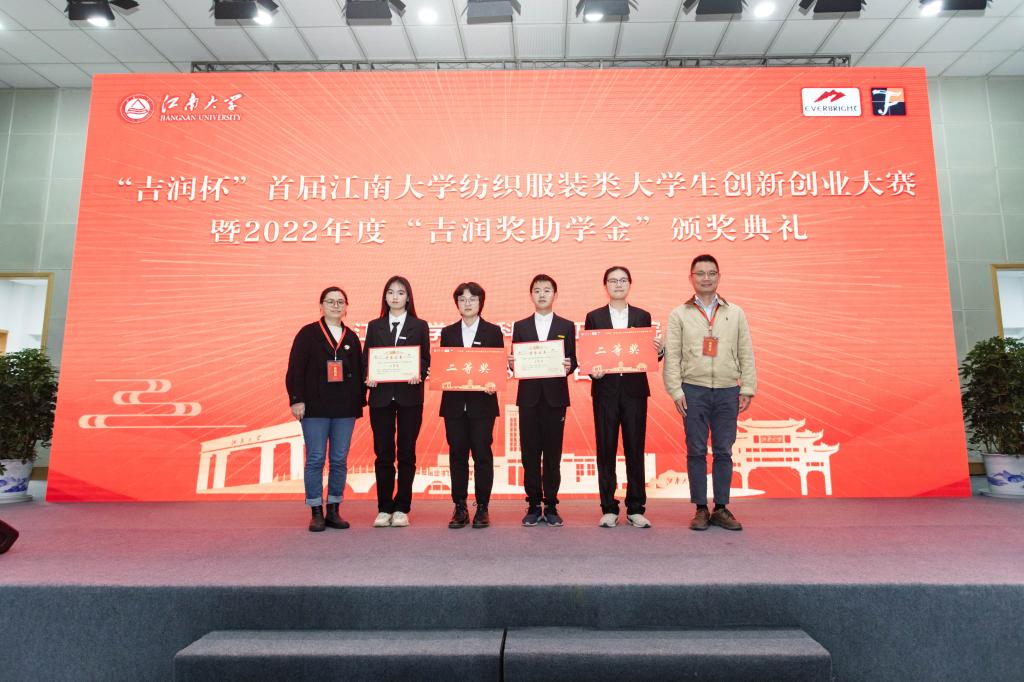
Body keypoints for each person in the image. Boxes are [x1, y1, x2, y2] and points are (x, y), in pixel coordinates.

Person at [663, 254, 756, 532]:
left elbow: (746, 351)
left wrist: (747, 386)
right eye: (700, 274)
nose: (706, 278)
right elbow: (672, 356)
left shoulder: (735, 312)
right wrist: (675, 390)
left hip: (728, 390)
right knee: (696, 450)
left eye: (711, 273)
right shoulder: (679, 314)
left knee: (724, 450)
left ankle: (722, 508)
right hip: (693, 389)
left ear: (718, 277)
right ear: (691, 278)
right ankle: (701, 508)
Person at [584, 266, 664, 529]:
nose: (618, 284)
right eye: (612, 280)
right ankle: (608, 508)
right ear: (605, 285)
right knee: (605, 450)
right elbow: (590, 354)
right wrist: (593, 372)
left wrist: (659, 351)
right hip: (605, 392)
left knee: (634, 449)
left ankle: (635, 508)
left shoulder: (642, 315)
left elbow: (647, 355)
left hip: (634, 392)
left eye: (623, 280)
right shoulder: (594, 317)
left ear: (629, 284)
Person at [286, 286, 365, 532]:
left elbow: (359, 372)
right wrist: (296, 399)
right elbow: (295, 369)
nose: (335, 306)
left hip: (344, 408)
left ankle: (333, 509)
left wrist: (359, 401)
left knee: (339, 459)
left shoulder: (351, 337)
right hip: (314, 407)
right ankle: (315, 511)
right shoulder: (307, 334)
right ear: (321, 306)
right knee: (316, 458)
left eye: (340, 302)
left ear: (346, 307)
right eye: (330, 301)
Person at [510, 274, 577, 527]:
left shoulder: (566, 325)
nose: (542, 294)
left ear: (554, 295)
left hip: (555, 398)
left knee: (552, 454)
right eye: (537, 290)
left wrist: (569, 365)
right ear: (531, 295)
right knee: (529, 453)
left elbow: (572, 359)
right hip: (528, 398)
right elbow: (517, 359)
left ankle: (550, 505)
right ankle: (532, 503)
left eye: (547, 290)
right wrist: (513, 363)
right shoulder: (521, 326)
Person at [364, 276, 430, 529]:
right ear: (385, 297)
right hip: (380, 397)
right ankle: (384, 508)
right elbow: (366, 359)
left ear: (408, 297)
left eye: (400, 293)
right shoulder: (374, 326)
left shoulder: (419, 325)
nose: (395, 297)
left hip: (409, 397)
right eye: (391, 292)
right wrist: (368, 376)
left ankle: (402, 507)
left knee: (406, 453)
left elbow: (425, 359)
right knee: (383, 453)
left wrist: (418, 372)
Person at [439, 282, 504, 529]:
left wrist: (494, 382)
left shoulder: (493, 332)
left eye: (472, 299)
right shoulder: (448, 332)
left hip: (482, 404)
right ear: (457, 303)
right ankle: (460, 507)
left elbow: (498, 367)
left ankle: (483, 507)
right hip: (454, 405)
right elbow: (444, 366)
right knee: (457, 455)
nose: (467, 303)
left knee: (482, 455)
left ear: (480, 302)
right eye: (462, 299)